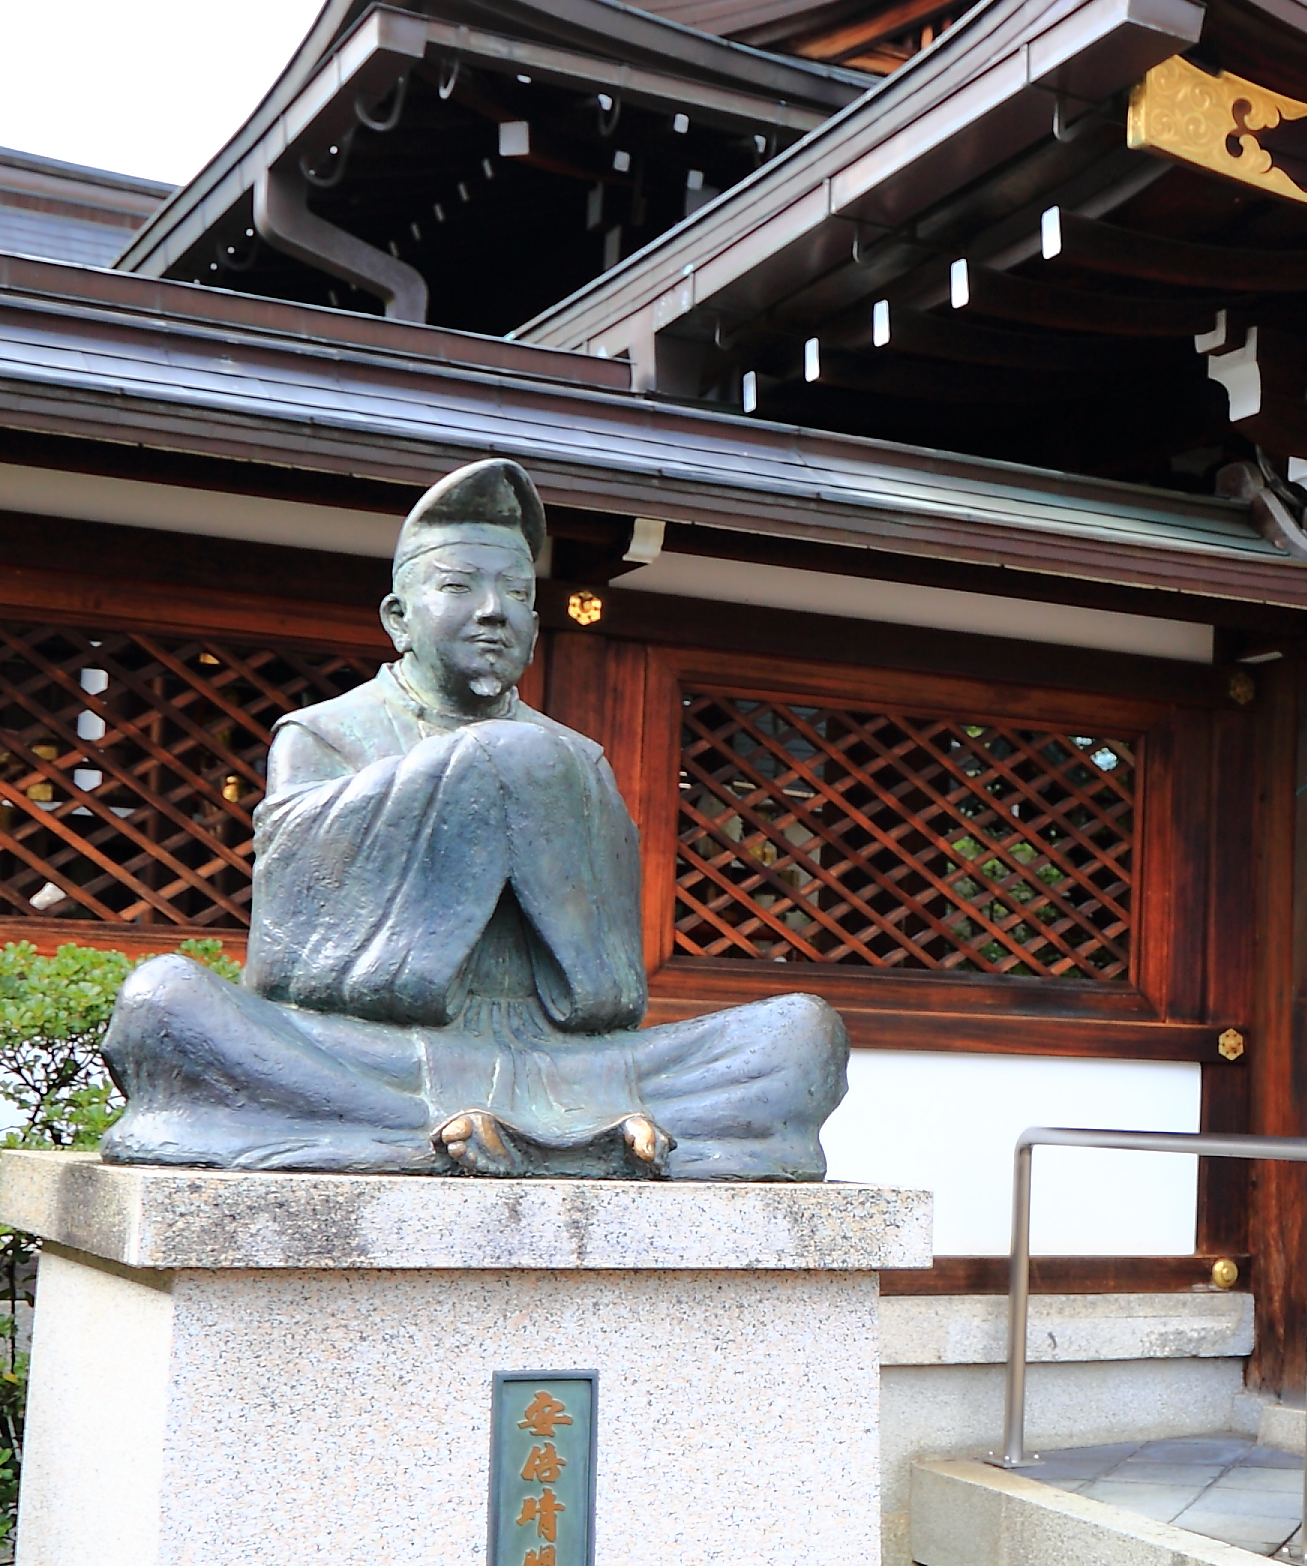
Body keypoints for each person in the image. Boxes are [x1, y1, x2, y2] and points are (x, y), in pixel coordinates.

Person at [99, 458, 845, 1177]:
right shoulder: (324, 736)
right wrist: (476, 778)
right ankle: (529, 1140)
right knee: (165, 1003)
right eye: (458, 586)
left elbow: (609, 994)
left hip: (567, 1063)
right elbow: (295, 970)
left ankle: (448, 1138)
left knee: (802, 1035)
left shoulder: (575, 758)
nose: (493, 611)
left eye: (517, 593)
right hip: (375, 1055)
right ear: (398, 615)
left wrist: (527, 783)